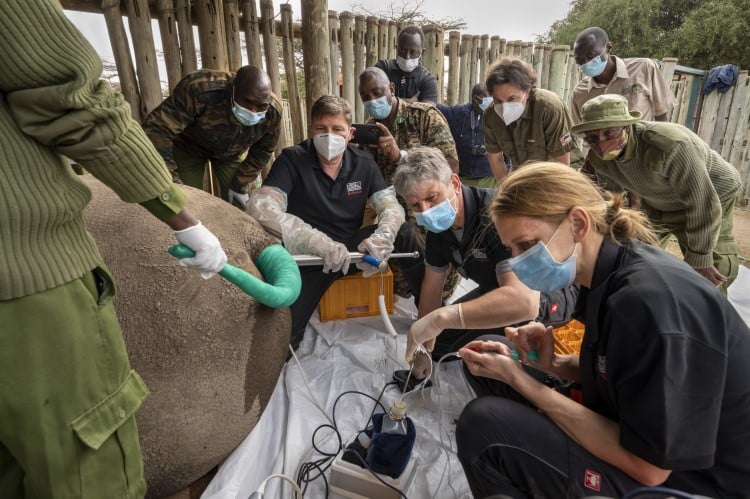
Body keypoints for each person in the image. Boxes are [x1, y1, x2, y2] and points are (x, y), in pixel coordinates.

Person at [0, 1, 228, 497]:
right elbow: (75, 101)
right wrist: (180, 213)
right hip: (24, 278)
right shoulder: (199, 92)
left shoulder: (267, 113)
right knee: (88, 461)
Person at [453, 162, 750, 498]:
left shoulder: (647, 303)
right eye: (511, 250)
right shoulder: (607, 273)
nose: (518, 262)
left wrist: (520, 379)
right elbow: (629, 376)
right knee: (491, 357)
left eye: (527, 245)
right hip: (650, 438)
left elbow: (649, 467)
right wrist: (547, 363)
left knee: (485, 427)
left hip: (696, 483)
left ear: (578, 223)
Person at [394, 147, 579, 375]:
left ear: (454, 183)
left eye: (432, 198)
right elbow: (431, 287)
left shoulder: (493, 215)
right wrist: (422, 341)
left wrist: (442, 318)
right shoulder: (438, 231)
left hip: (543, 295)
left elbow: (522, 301)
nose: (426, 210)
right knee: (439, 344)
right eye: (415, 206)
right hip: (497, 289)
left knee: (481, 350)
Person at [248, 95, 412, 350]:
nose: (329, 136)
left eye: (337, 130)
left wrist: (383, 237)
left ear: (350, 134)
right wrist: (317, 242)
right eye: (321, 129)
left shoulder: (364, 164)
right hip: (308, 258)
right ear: (311, 130)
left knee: (409, 233)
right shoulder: (292, 159)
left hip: (352, 251)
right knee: (284, 337)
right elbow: (262, 208)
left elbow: (390, 206)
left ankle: (432, 315)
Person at [573, 94, 742, 292]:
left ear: (626, 127)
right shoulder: (598, 158)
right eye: (592, 137)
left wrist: (700, 259)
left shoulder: (670, 146)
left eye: (609, 133)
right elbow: (608, 199)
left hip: (714, 193)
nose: (601, 143)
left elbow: (702, 202)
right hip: (657, 197)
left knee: (709, 267)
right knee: (635, 253)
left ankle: (710, 310)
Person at [358, 66, 460, 304]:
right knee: (402, 284)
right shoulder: (370, 130)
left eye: (377, 92)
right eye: (366, 97)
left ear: (391, 89)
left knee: (439, 280)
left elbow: (451, 164)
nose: (373, 100)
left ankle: (435, 307)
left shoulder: (424, 116)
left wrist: (400, 155)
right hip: (398, 220)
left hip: (431, 214)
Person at [143, 65, 283, 209]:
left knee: (241, 204)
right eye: (247, 102)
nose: (253, 111)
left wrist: (241, 182)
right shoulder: (199, 89)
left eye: (261, 106)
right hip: (188, 149)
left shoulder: (273, 112)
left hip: (232, 154)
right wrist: (170, 177)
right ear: (232, 89)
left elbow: (264, 150)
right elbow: (157, 130)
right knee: (184, 202)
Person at [483, 56, 578, 182]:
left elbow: (562, 160)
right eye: (498, 100)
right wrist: (506, 188)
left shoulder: (548, 108)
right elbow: (495, 158)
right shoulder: (491, 115)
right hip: (525, 176)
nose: (505, 107)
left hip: (565, 176)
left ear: (527, 92)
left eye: (512, 99)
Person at [570, 27, 676, 124]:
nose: (586, 63)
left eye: (591, 55)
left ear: (608, 48)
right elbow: (581, 133)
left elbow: (661, 115)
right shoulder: (580, 93)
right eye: (580, 60)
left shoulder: (643, 69)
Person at [437, 83, 505, 188]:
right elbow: (434, 108)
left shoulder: (498, 114)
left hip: (490, 177)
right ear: (476, 99)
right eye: (487, 97)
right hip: (464, 177)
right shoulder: (458, 113)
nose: (491, 100)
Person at [375, 25, 438, 104]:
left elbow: (426, 113)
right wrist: (409, 102)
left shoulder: (428, 80)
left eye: (413, 52)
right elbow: (375, 101)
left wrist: (390, 100)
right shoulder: (383, 68)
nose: (407, 57)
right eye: (403, 50)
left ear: (422, 53)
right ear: (397, 48)